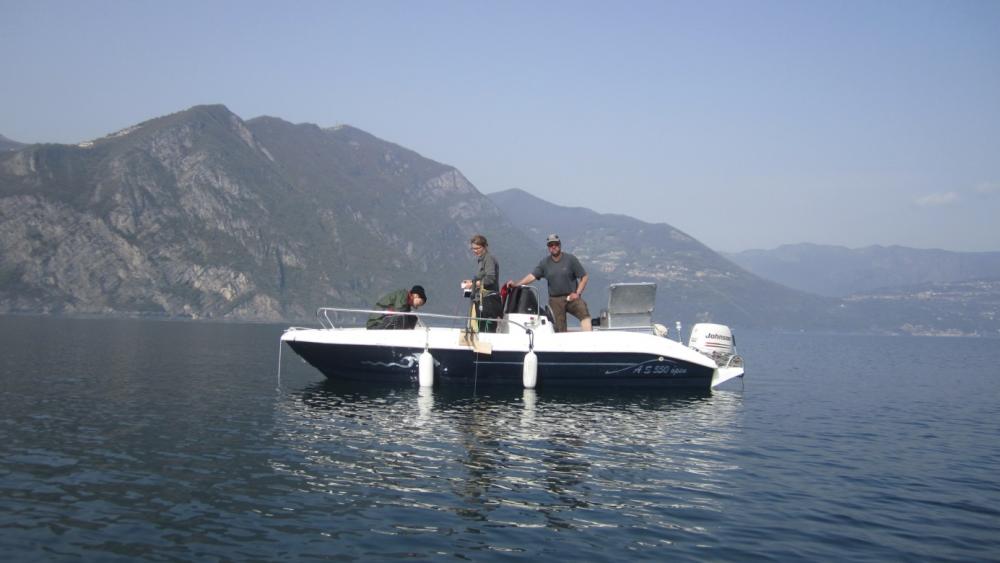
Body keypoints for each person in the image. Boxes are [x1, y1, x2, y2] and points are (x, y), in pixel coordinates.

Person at [511, 234, 592, 332]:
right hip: (555, 299)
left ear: (560, 245)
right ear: (548, 247)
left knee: (583, 311)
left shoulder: (570, 259)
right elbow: (532, 276)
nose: (553, 247)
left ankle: (589, 337)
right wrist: (517, 284)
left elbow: (584, 276)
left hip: (571, 296)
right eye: (550, 245)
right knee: (559, 328)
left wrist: (577, 293)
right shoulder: (544, 263)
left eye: (556, 244)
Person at [461, 234, 501, 332]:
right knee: (481, 329)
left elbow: (490, 278)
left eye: (477, 248)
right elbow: (482, 278)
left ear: (485, 246)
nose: (475, 251)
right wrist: (471, 281)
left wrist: (473, 285)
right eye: (473, 249)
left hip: (489, 301)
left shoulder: (489, 258)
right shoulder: (481, 260)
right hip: (482, 300)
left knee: (487, 331)